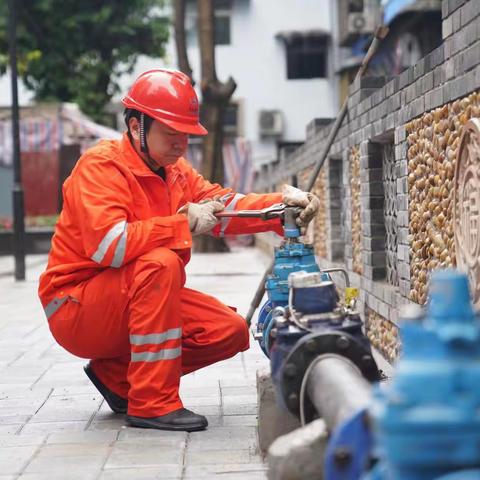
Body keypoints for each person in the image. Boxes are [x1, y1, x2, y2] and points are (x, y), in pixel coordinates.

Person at [38, 69, 320, 432]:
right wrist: (182, 224)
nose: (180, 143)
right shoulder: (101, 167)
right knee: (160, 263)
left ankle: (117, 378)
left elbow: (223, 206)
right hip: (76, 307)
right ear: (137, 125)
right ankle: (152, 404)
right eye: (171, 133)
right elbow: (110, 246)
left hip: (131, 296)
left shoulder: (176, 172)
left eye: (185, 134)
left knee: (228, 330)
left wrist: (279, 208)